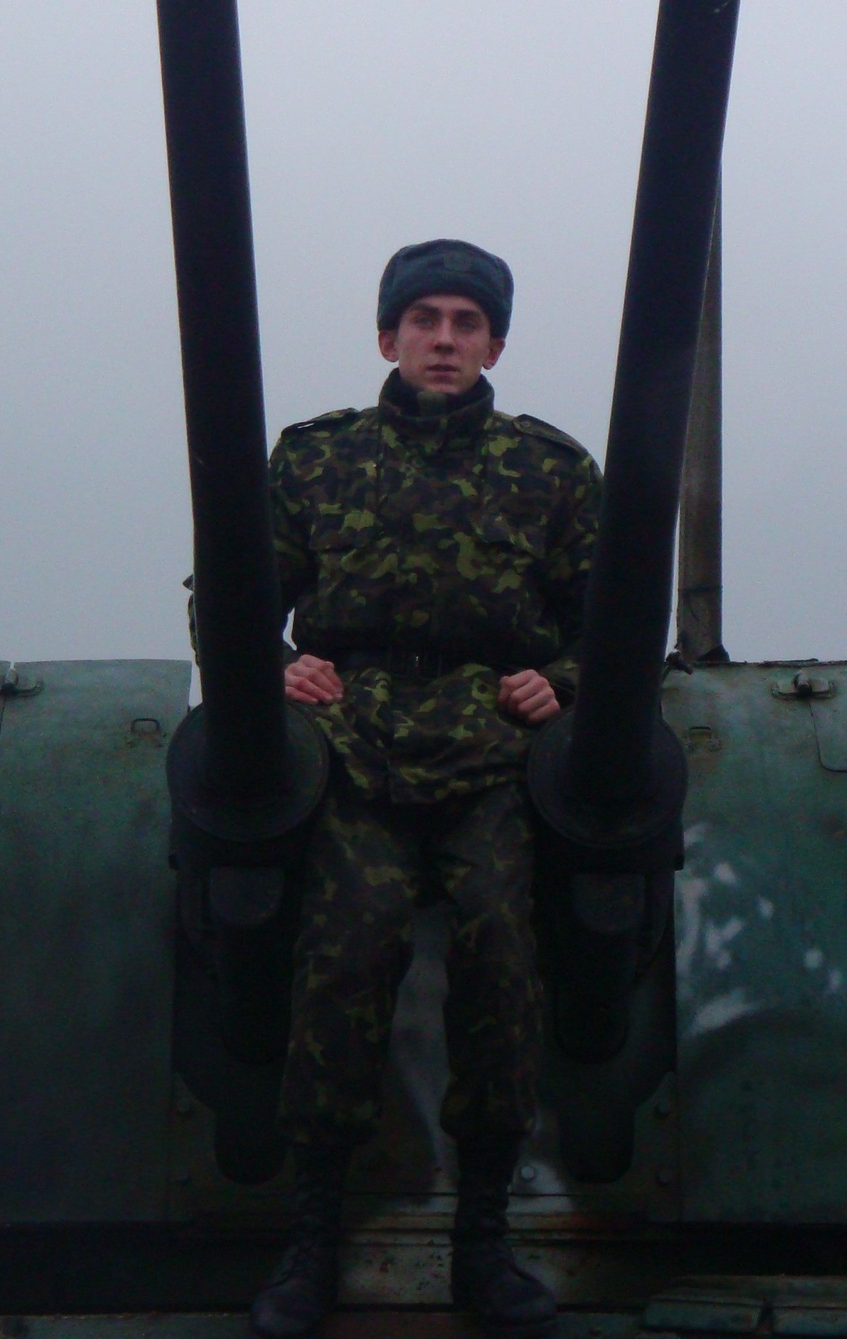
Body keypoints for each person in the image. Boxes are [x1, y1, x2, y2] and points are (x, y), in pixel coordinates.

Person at [249, 238, 602, 1339]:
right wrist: (272, 663)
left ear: (494, 344)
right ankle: (313, 1236)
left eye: (465, 323)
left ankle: (482, 1240)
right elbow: (235, 592)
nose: (443, 340)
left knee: (501, 952)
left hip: (491, 747)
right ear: (386, 336)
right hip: (350, 744)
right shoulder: (317, 458)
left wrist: (562, 679)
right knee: (346, 947)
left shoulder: (551, 471)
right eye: (423, 320)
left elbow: (610, 623)